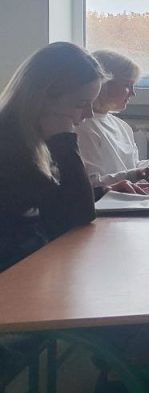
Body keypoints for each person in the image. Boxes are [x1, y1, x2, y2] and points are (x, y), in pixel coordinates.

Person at [0, 42, 102, 271]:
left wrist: (103, 192)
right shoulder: (9, 147)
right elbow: (76, 216)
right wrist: (64, 140)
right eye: (81, 104)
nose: (89, 114)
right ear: (44, 98)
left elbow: (55, 196)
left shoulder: (24, 133)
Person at [77, 50, 149, 195]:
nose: (133, 93)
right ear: (104, 85)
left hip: (128, 198)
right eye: (127, 85)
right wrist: (136, 174)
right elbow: (91, 186)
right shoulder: (84, 127)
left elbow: (132, 168)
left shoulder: (122, 126)